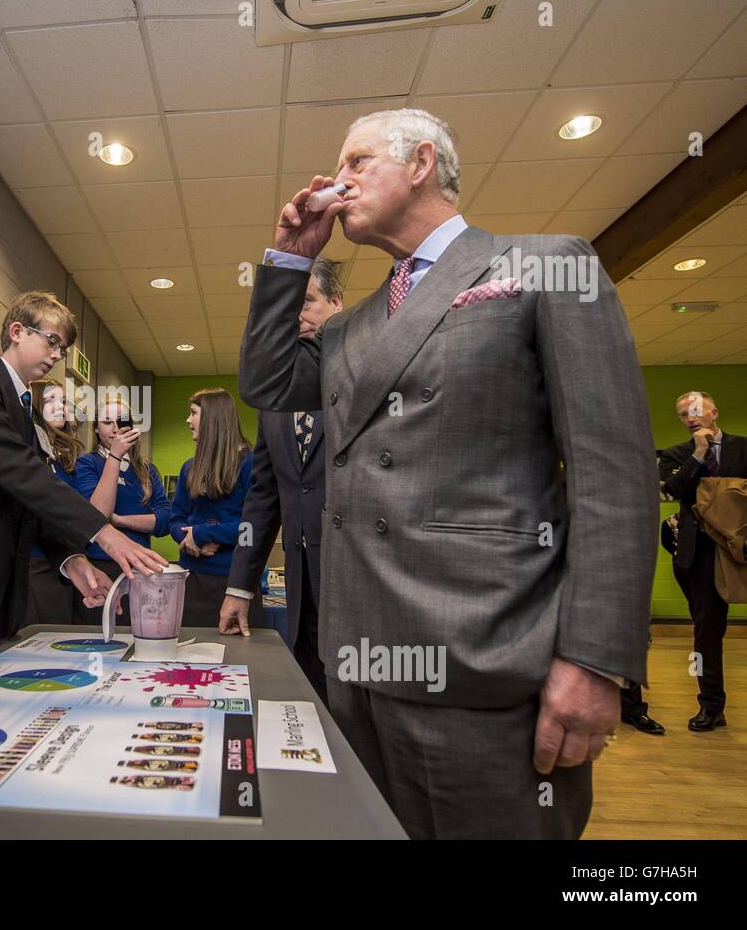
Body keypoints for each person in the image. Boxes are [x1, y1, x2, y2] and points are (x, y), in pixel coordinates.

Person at [239, 107, 655, 838]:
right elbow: (268, 380)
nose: (337, 182)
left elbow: (614, 478)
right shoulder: (348, 327)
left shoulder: (544, 265)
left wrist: (594, 660)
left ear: (423, 163)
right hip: (360, 667)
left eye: (357, 162)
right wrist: (291, 258)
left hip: (483, 672)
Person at [0, 291, 165, 637]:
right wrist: (104, 532)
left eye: (62, 348)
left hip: (10, 579)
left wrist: (73, 560)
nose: (57, 355)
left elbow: (31, 504)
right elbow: (21, 473)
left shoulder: (29, 413)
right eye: (52, 341)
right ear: (17, 331)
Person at [221, 261, 342, 701]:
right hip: (302, 588)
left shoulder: (362, 375)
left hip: (359, 588)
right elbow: (263, 499)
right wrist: (239, 587)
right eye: (288, 306)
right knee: (315, 702)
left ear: (337, 304)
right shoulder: (273, 402)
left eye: (307, 301)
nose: (297, 315)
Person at [659, 391, 745, 732]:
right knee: (706, 632)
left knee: (714, 628)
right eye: (682, 414)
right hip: (699, 555)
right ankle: (711, 706)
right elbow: (673, 491)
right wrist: (698, 455)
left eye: (695, 410)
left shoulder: (743, 448)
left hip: (740, 547)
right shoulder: (676, 454)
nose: (690, 417)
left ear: (714, 411)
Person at [74, 393, 172, 625]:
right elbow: (97, 514)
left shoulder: (147, 470)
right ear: (96, 429)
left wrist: (119, 520)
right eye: (107, 422)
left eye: (122, 421)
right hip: (99, 565)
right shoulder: (87, 463)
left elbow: (166, 519)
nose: (115, 428)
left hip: (140, 568)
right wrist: (115, 456)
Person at [168, 388, 256, 628]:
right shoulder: (190, 468)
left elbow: (253, 527)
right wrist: (188, 539)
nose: (188, 420)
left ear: (212, 418)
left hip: (234, 584)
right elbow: (175, 518)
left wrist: (202, 534)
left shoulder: (251, 463)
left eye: (193, 413)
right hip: (191, 578)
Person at [24, 380, 86, 626]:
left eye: (62, 401)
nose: (60, 407)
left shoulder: (62, 460)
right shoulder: (29, 456)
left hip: (64, 561)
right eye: (50, 400)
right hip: (35, 562)